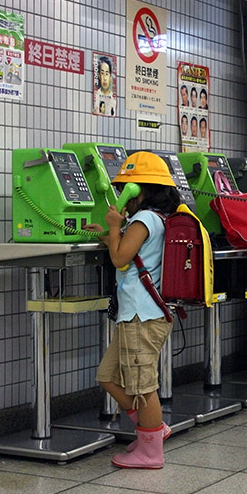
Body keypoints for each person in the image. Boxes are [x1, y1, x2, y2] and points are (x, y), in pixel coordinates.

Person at [83, 152, 181, 469]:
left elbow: (120, 258)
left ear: (139, 190)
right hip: (142, 314)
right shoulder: (158, 218)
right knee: (109, 376)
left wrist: (115, 225)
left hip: (142, 314)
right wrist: (108, 231)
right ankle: (153, 430)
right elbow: (129, 250)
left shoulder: (143, 219)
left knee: (142, 386)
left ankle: (151, 451)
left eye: (126, 187)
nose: (121, 194)